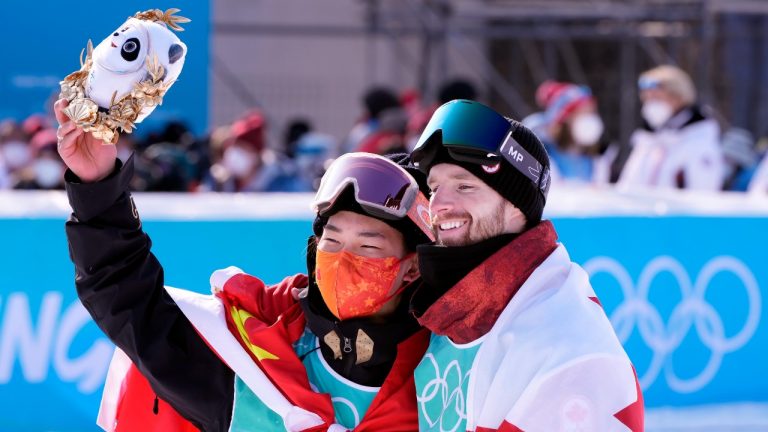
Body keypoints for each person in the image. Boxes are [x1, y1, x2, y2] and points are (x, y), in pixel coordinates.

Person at [55, 98, 435, 431]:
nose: (343, 260)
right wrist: (97, 187)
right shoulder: (250, 363)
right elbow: (131, 305)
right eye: (332, 242)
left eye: (368, 246)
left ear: (412, 266)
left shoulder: (444, 381)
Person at [408, 99, 644, 431]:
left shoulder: (566, 348)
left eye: (464, 186)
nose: (439, 205)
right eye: (434, 188)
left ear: (518, 206)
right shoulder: (445, 317)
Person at [618, 65, 724, 190]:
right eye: (647, 98)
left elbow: (702, 195)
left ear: (678, 97)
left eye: (656, 97)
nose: (650, 104)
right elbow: (628, 185)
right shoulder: (647, 141)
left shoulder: (699, 142)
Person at [523, 80, 617, 184]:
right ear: (565, 119)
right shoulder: (542, 159)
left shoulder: (599, 161)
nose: (590, 119)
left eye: (591, 112)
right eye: (582, 113)